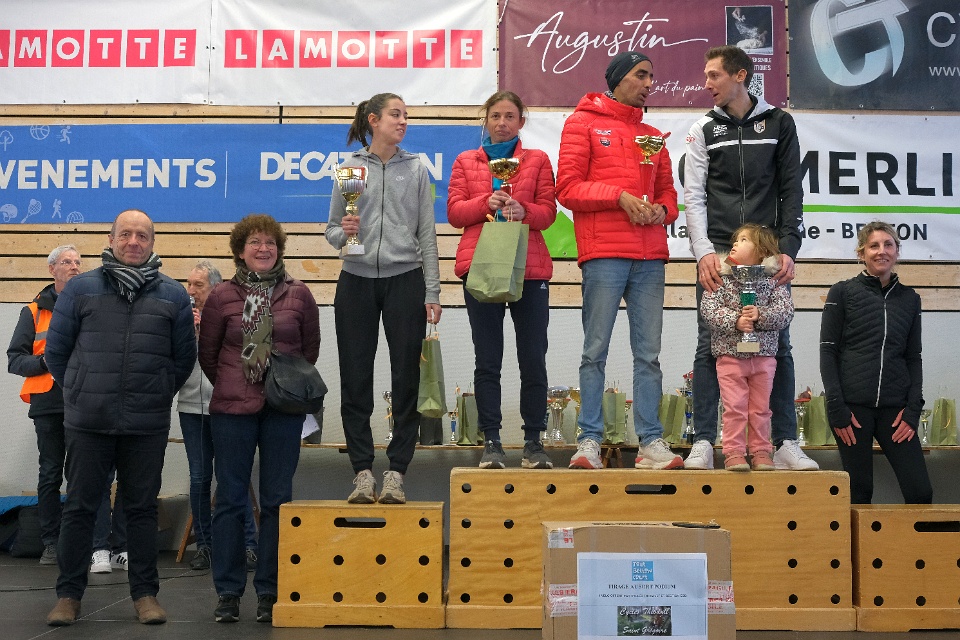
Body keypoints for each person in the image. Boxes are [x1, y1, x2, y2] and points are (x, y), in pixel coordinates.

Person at [43, 210, 196, 626]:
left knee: (142, 510)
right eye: (125, 234)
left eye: (142, 235)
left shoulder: (173, 295)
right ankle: (68, 597)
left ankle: (145, 595)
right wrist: (79, 391)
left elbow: (183, 359)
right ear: (111, 239)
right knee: (79, 508)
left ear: (152, 242)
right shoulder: (81, 289)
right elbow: (56, 352)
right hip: (88, 421)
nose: (133, 241)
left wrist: (157, 391)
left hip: (146, 424)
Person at [683, 45, 818, 471]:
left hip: (767, 253)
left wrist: (788, 249)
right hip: (720, 254)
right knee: (710, 343)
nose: (706, 83)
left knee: (779, 343)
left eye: (714, 75)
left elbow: (792, 189)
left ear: (740, 75)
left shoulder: (779, 122)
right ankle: (704, 442)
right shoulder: (703, 128)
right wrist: (704, 252)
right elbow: (693, 196)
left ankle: (784, 442)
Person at [556, 51, 682, 471]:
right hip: (605, 254)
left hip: (649, 256)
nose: (649, 83)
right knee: (595, 351)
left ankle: (650, 442)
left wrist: (662, 211)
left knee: (649, 355)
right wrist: (618, 196)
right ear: (617, 78)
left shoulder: (653, 135)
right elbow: (567, 189)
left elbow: (668, 195)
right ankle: (589, 441)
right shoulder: (582, 123)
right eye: (640, 75)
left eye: (651, 76)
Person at [199, 214, 319, 624]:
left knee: (277, 501)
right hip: (232, 411)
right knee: (230, 500)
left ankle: (269, 590)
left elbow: (309, 351)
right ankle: (228, 592)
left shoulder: (299, 294)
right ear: (240, 250)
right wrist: (239, 383)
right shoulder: (220, 297)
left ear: (279, 249)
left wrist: (279, 385)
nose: (263, 248)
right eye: (254, 242)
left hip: (283, 412)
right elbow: (209, 355)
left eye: (270, 242)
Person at [326, 92, 442, 501]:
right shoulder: (349, 169)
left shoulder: (416, 169)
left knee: (406, 378)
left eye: (406, 115)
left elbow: (426, 234)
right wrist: (344, 232)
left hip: (405, 280)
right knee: (355, 377)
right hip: (355, 281)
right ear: (373, 120)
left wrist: (432, 290)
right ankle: (362, 472)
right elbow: (332, 230)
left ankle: (396, 472)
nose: (403, 121)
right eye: (395, 114)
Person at [447, 90, 557, 470]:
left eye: (510, 116)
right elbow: (455, 213)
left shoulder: (537, 160)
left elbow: (548, 213)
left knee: (533, 357)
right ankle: (491, 441)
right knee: (487, 358)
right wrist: (485, 203)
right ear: (486, 120)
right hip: (481, 266)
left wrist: (525, 210)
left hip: (529, 268)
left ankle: (533, 442)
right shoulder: (466, 160)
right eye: (495, 116)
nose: (502, 123)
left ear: (521, 121)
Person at [820, 221, 932, 504]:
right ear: (861, 253)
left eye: (888, 245)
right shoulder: (842, 292)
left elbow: (913, 357)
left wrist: (913, 410)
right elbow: (828, 352)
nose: (882, 251)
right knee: (859, 493)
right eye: (874, 245)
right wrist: (836, 407)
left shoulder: (910, 299)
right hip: (852, 410)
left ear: (897, 251)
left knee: (920, 492)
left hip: (895, 411)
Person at [177, 261, 259, 572]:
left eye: (197, 285)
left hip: (226, 406)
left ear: (215, 288)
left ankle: (248, 545)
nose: (191, 291)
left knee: (232, 475)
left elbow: (245, 355)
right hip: (191, 406)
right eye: (188, 284)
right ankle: (205, 545)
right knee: (199, 477)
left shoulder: (232, 313)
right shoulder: (182, 319)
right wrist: (190, 334)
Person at [7, 245, 81, 566]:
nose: (74, 266)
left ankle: (78, 541)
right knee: (51, 473)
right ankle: (50, 542)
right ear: (52, 269)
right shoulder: (33, 311)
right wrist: (43, 362)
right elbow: (14, 359)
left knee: (80, 475)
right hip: (48, 403)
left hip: (82, 402)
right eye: (67, 261)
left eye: (78, 262)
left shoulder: (89, 306)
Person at [700, 224, 794, 471]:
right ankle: (733, 452)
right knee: (734, 409)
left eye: (743, 240)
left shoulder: (774, 281)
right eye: (736, 239)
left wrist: (760, 315)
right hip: (730, 357)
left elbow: (785, 313)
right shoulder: (720, 277)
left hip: (764, 358)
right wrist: (735, 321)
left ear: (762, 251)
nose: (735, 243)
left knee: (761, 409)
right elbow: (708, 310)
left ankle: (761, 451)